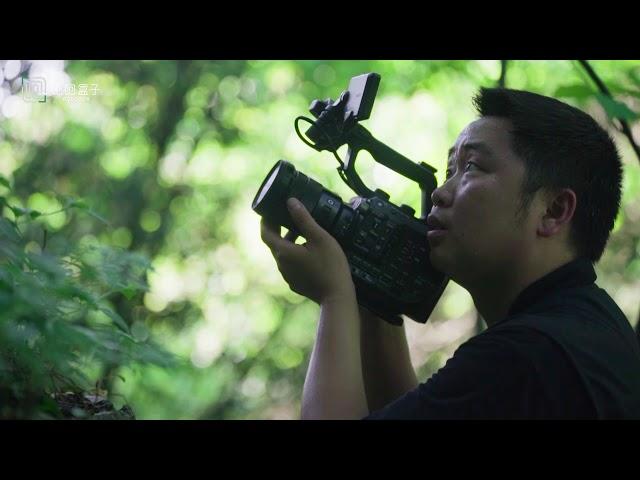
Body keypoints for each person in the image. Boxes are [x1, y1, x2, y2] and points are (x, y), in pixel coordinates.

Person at [260, 87, 640, 419]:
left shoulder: (526, 357)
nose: (441, 192)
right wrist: (371, 290)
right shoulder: (588, 324)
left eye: (472, 167)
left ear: (553, 211)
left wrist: (334, 296)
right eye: (448, 170)